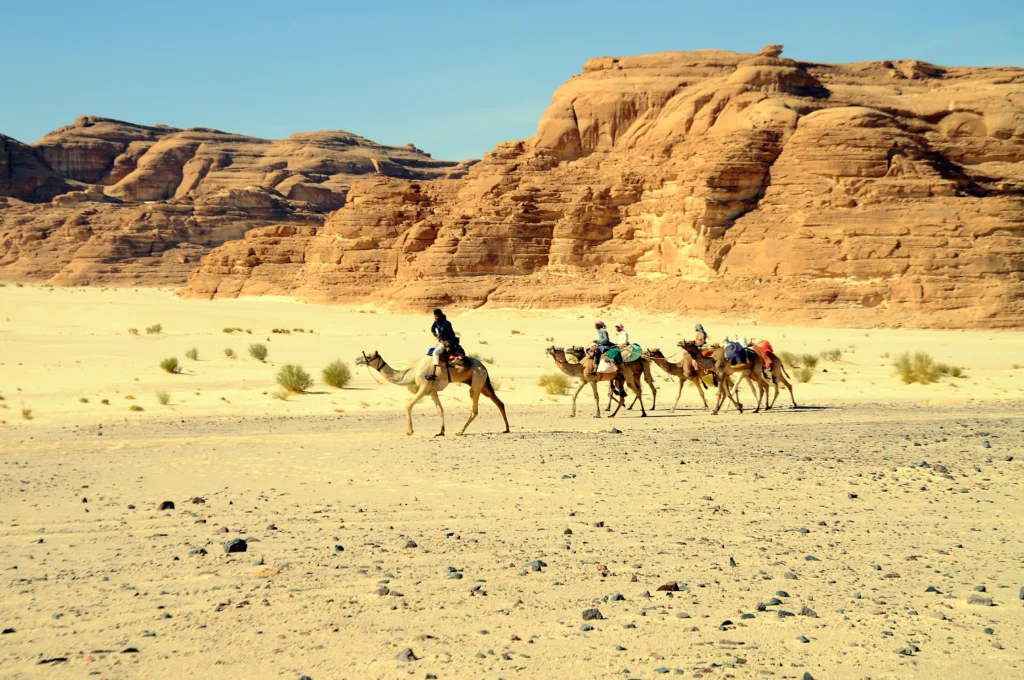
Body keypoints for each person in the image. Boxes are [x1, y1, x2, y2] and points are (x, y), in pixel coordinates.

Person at [426, 308, 458, 380]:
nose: (436, 317)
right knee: (429, 351)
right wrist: (436, 335)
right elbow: (432, 329)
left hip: (446, 342)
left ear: (440, 315)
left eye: (437, 316)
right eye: (435, 316)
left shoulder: (446, 323)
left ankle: (434, 374)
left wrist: (450, 345)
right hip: (440, 341)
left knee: (435, 353)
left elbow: (451, 334)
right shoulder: (436, 323)